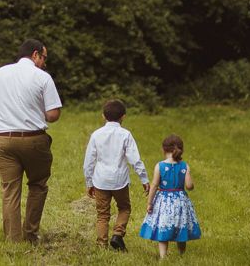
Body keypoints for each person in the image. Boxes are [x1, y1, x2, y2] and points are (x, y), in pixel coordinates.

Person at [0, 38, 62, 244]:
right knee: (38, 185)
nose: (45, 62)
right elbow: (53, 115)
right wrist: (38, 110)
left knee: (10, 191)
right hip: (34, 140)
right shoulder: (43, 78)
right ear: (35, 55)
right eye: (44, 57)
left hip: (5, 141)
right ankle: (30, 235)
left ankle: (13, 240)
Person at [83, 99, 150, 251]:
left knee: (102, 214)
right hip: (120, 180)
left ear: (103, 116)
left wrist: (89, 182)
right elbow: (135, 159)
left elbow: (89, 162)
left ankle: (101, 245)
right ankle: (117, 234)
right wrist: (144, 179)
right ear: (123, 116)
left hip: (100, 180)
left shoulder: (96, 135)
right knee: (124, 208)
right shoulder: (125, 135)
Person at [139, 134, 201, 258]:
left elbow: (155, 185)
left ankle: (163, 257)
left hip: (164, 201)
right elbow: (189, 186)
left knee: (163, 227)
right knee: (181, 226)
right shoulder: (184, 166)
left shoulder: (160, 166)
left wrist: (149, 203)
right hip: (180, 201)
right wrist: (188, 178)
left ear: (163, 149)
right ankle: (182, 254)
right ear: (180, 150)